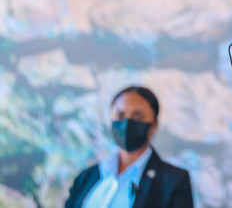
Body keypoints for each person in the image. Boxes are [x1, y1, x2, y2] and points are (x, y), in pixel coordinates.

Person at [65, 86, 194, 208]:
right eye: (120, 115)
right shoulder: (87, 176)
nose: (127, 123)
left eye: (138, 117)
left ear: (154, 125)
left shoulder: (173, 181)